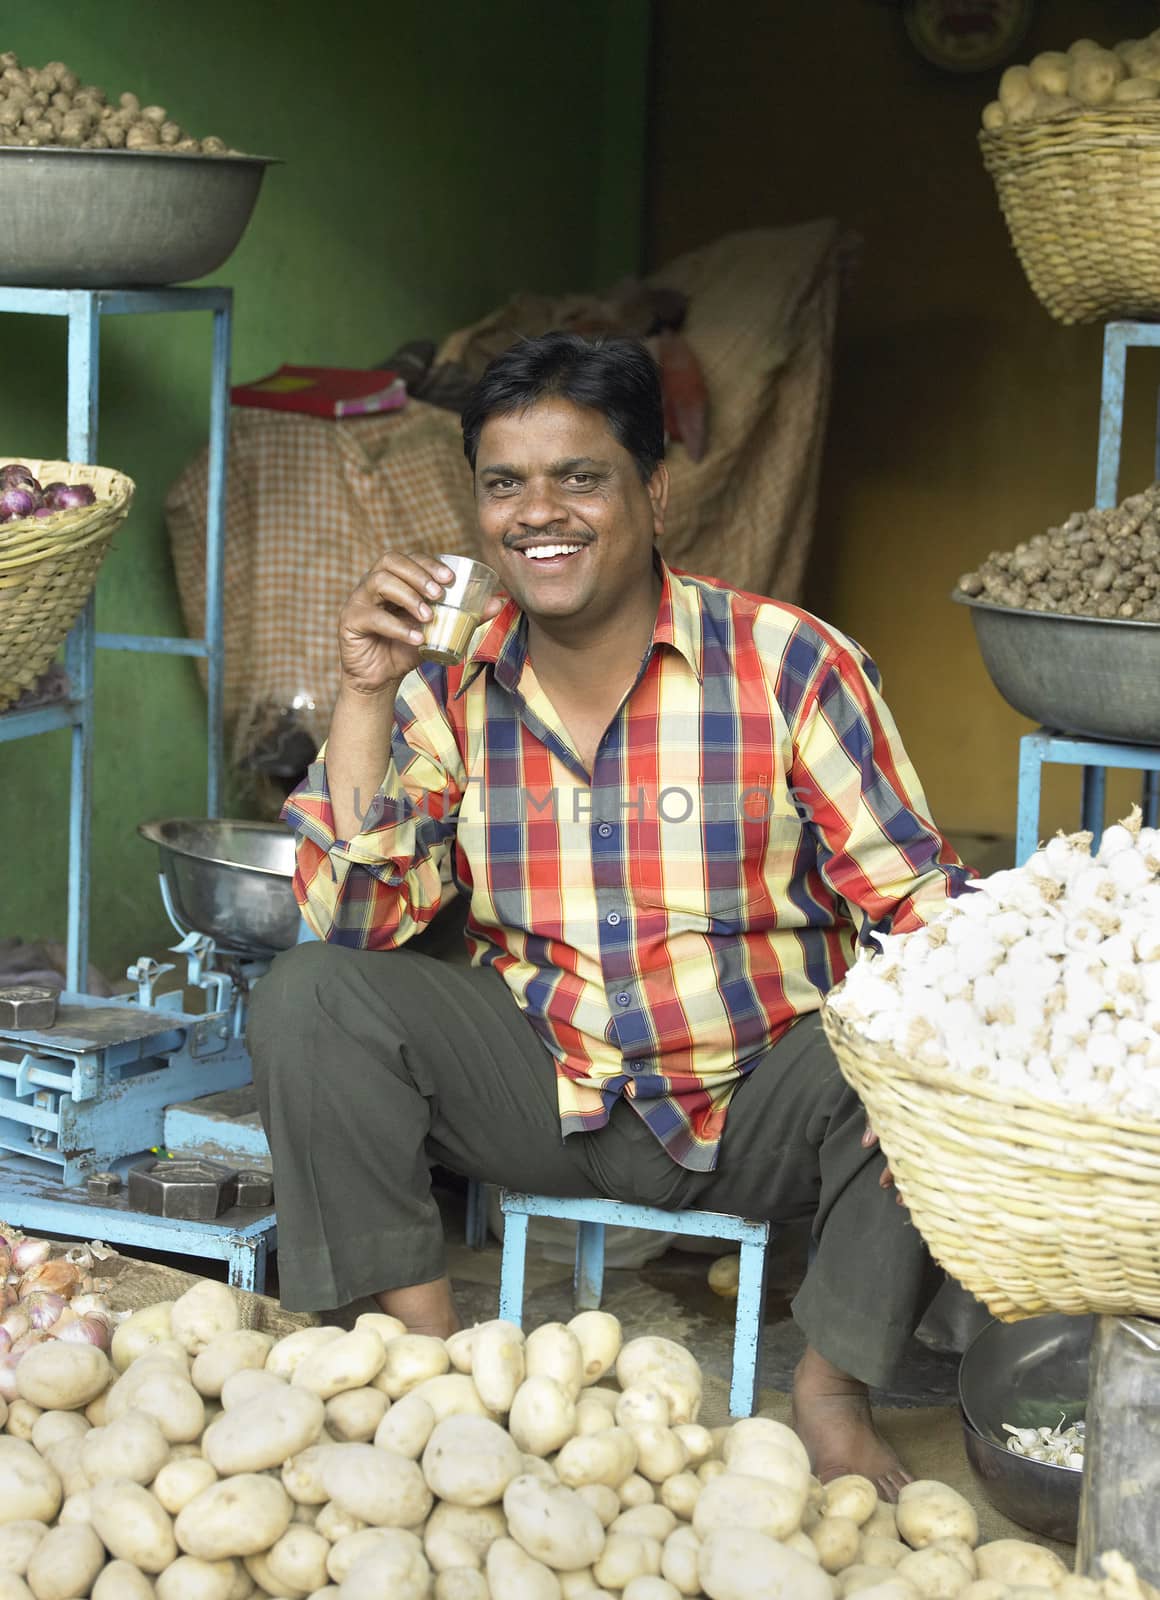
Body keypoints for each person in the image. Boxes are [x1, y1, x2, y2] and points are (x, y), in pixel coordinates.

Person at [248, 331, 974, 1499]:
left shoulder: (786, 664)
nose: (538, 511)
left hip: (759, 1100)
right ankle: (430, 1362)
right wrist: (366, 691)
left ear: (652, 488)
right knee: (310, 998)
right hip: (545, 1083)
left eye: (578, 476)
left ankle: (833, 1396)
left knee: (926, 1022)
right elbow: (351, 921)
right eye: (502, 483)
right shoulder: (449, 688)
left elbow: (924, 912)